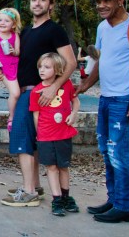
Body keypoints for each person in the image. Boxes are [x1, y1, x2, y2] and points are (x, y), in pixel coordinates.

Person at [77, 0, 129, 223]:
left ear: (120, 0)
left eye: (107, 0)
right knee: (107, 151)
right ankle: (114, 199)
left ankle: (125, 206)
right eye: (99, 1)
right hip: (106, 98)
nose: (102, 5)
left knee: (119, 153)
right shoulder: (103, 27)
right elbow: (101, 61)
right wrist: (85, 86)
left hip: (124, 98)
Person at [0, 0, 76, 207]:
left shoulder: (54, 30)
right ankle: (36, 185)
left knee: (21, 139)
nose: (37, 3)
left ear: (50, 5)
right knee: (32, 141)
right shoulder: (27, 31)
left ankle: (29, 192)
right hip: (24, 91)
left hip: (38, 93)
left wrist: (53, 88)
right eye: (34, 0)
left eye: (42, 0)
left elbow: (71, 63)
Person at [31, 52, 81, 216]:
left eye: (47, 67)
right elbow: (36, 115)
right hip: (46, 136)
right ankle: (57, 199)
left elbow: (75, 100)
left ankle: (66, 197)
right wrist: (39, 135)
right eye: (40, 67)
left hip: (63, 134)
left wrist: (74, 114)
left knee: (63, 166)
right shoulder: (36, 92)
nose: (42, 70)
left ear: (57, 69)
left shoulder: (65, 85)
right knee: (51, 167)